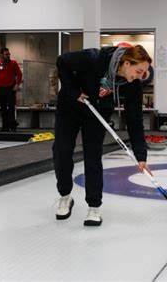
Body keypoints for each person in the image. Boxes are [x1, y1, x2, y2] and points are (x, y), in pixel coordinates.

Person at [53, 44, 153, 227]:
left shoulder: (133, 84)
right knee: (62, 150)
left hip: (97, 111)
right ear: (127, 63)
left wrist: (141, 155)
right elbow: (62, 62)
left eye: (143, 74)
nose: (140, 77)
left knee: (92, 154)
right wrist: (74, 91)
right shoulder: (95, 58)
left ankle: (94, 206)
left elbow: (135, 120)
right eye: (138, 71)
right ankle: (65, 196)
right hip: (71, 105)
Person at [0, 47, 22, 132]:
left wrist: (17, 84)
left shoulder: (13, 63)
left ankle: (13, 126)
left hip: (11, 88)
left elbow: (19, 74)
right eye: (6, 54)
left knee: (11, 108)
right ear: (1, 55)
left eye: (9, 54)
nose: (8, 55)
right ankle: (5, 127)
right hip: (1, 88)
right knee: (3, 108)